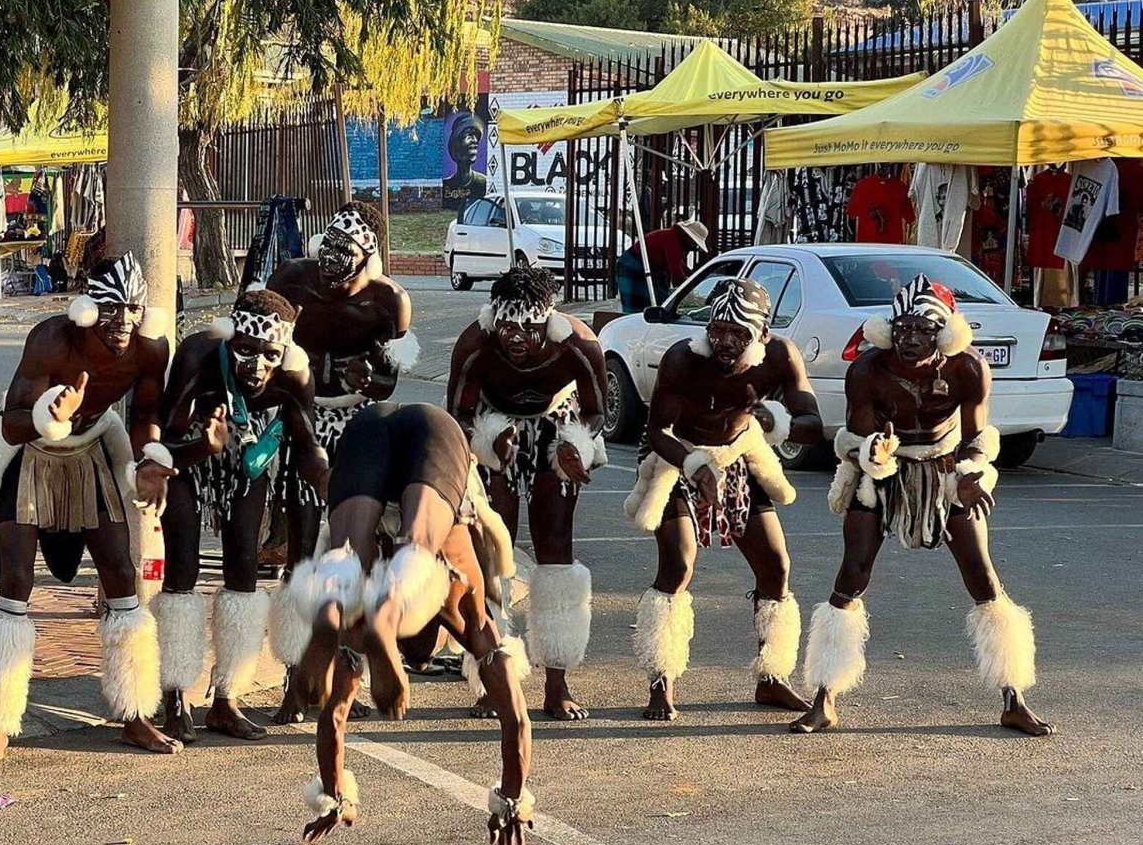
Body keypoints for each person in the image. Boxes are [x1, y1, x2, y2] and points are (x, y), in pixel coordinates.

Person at [793, 275, 1053, 736]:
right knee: (852, 573)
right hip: (883, 473)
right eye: (903, 328)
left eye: (923, 329)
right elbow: (854, 438)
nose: (910, 338)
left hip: (946, 468)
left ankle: (1013, 698)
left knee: (983, 577)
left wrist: (971, 474)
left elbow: (977, 437)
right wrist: (871, 453)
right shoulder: (867, 370)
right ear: (888, 329)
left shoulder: (967, 368)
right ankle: (824, 697)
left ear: (944, 333)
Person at [281, 402, 535, 845]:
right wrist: (511, 800)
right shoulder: (463, 605)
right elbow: (515, 718)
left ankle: (330, 606)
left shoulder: (358, 625)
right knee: (419, 541)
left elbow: (334, 716)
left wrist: (335, 796)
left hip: (369, 427)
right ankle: (390, 607)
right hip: (432, 432)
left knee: (348, 552)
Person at [0, 251, 179, 763]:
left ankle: (135, 713)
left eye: (132, 309)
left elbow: (146, 413)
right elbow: (11, 421)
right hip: (30, 453)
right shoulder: (51, 341)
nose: (123, 321)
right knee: (17, 579)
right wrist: (49, 415)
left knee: (121, 572)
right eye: (111, 309)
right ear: (87, 309)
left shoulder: (150, 348)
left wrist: (150, 458)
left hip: (92, 452)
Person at [623, 278, 823, 721]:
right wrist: (695, 468)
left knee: (776, 566)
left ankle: (771, 678)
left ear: (762, 334)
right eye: (718, 330)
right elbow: (657, 431)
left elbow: (812, 424)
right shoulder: (682, 359)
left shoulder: (779, 357)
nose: (726, 342)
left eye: (738, 333)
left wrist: (775, 419)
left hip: (738, 454)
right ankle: (661, 679)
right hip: (677, 457)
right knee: (678, 563)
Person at [151, 289, 330, 744]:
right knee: (182, 568)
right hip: (186, 457)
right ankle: (175, 697)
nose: (256, 365)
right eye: (246, 351)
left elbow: (307, 446)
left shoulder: (294, 375)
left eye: (269, 354)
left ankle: (226, 699)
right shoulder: (199, 356)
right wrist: (202, 446)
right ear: (230, 340)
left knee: (245, 571)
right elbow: (162, 443)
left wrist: (329, 480)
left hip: (247, 454)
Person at [265, 200, 419, 723]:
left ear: (367, 259)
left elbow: (389, 380)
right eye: (327, 253)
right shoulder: (292, 278)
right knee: (301, 549)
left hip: (358, 427)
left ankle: (348, 677)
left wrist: (369, 379)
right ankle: (295, 680)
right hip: (302, 420)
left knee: (356, 551)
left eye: (345, 261)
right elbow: (256, 339)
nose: (332, 273)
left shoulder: (389, 302)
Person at [447, 265, 607, 720]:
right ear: (493, 320)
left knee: (556, 552)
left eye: (527, 329)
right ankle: (490, 678)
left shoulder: (577, 345)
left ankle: (557, 682)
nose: (515, 338)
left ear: (548, 323)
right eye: (507, 327)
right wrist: (489, 443)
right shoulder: (475, 345)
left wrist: (575, 446)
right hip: (493, 431)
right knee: (490, 556)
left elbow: (596, 412)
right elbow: (457, 415)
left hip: (556, 431)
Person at [616, 219, 709, 312]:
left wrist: (693, 275)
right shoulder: (672, 241)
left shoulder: (675, 238)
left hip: (647, 267)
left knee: (657, 299)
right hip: (631, 267)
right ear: (689, 237)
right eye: (695, 243)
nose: (694, 247)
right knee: (636, 302)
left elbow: (679, 264)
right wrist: (690, 289)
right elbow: (676, 274)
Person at [442, 111, 488, 210]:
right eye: (468, 135)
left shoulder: (483, 182)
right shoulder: (447, 184)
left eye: (476, 135)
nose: (475, 140)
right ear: (456, 145)